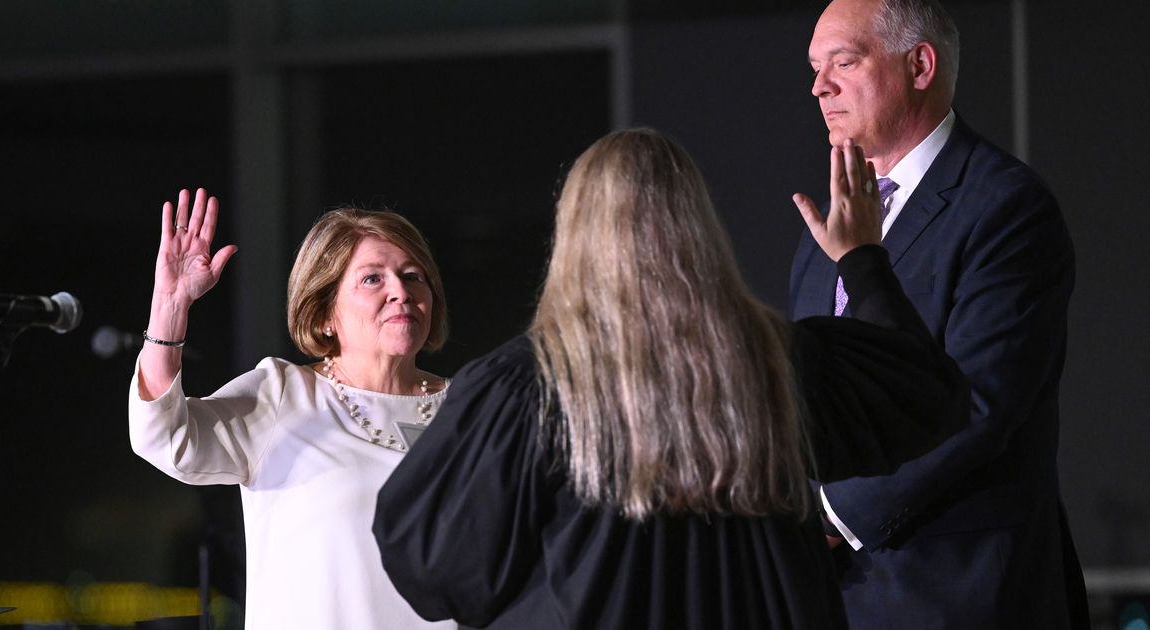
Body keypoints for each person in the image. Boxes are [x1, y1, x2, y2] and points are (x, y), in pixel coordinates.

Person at [373, 129, 968, 629]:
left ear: (574, 231)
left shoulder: (527, 386)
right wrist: (861, 257)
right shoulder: (775, 361)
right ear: (698, 226)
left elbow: (433, 566)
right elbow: (926, 396)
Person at [791, 0, 1086, 627]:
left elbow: (977, 402)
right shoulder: (829, 223)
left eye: (843, 62)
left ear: (920, 65)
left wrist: (833, 516)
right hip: (837, 601)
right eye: (816, 67)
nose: (820, 86)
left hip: (960, 597)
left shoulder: (1005, 208)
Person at [128, 189, 457, 630]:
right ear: (324, 312)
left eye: (413, 276)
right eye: (373, 279)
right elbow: (164, 439)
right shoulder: (284, 393)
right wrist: (169, 308)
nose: (400, 291)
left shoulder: (470, 410)